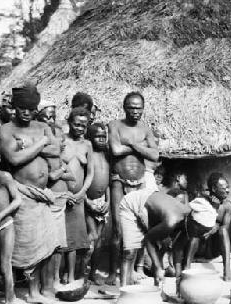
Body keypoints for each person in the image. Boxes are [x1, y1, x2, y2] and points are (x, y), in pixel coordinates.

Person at [0, 85, 59, 304]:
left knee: (45, 243)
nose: (26, 112)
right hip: (22, 193)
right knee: (27, 245)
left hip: (42, 195)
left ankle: (36, 292)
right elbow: (13, 160)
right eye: (22, 108)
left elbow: (56, 151)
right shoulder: (6, 129)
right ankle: (27, 292)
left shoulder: (42, 125)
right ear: (14, 108)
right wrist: (42, 142)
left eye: (31, 109)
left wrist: (29, 146)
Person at [108, 91, 159, 285]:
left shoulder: (145, 129)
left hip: (140, 182)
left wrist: (131, 144)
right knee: (117, 229)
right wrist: (140, 146)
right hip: (118, 180)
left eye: (138, 108)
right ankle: (114, 272)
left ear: (143, 109)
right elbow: (115, 150)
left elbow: (155, 155)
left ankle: (132, 270)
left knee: (139, 226)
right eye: (131, 107)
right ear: (124, 107)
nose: (135, 111)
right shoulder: (114, 125)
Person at [36, 101, 76, 288]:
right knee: (46, 244)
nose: (51, 120)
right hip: (48, 198)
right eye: (47, 116)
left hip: (60, 199)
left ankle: (56, 279)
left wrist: (60, 171)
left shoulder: (56, 135)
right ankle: (46, 282)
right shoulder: (39, 138)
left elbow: (70, 175)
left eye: (53, 116)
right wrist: (59, 171)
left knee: (59, 244)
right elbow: (50, 175)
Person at [61, 107, 94, 283]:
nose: (79, 128)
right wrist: (64, 193)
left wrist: (81, 193)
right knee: (60, 236)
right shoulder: (62, 141)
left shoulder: (87, 145)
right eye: (76, 124)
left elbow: (90, 174)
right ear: (69, 122)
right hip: (62, 196)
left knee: (73, 239)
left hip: (78, 197)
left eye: (83, 125)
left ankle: (72, 275)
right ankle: (58, 276)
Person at [0, 141, 23, 304]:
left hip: (5, 223)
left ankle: (10, 301)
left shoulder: (4, 177)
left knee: (5, 265)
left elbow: (17, 200)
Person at [191, 172, 231, 281]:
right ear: (214, 188)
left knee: (223, 230)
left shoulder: (227, 205)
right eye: (224, 188)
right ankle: (187, 268)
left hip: (213, 247)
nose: (227, 191)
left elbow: (225, 227)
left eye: (228, 187)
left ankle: (227, 272)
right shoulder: (202, 200)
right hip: (200, 245)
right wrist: (213, 209)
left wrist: (215, 227)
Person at [85, 122, 110, 284]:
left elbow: (107, 180)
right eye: (97, 137)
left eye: (103, 136)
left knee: (99, 240)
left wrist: (108, 200)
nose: (101, 140)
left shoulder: (107, 154)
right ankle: (80, 273)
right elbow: (82, 179)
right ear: (90, 137)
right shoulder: (88, 153)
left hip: (102, 202)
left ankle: (93, 272)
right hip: (88, 202)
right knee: (90, 239)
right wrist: (88, 202)